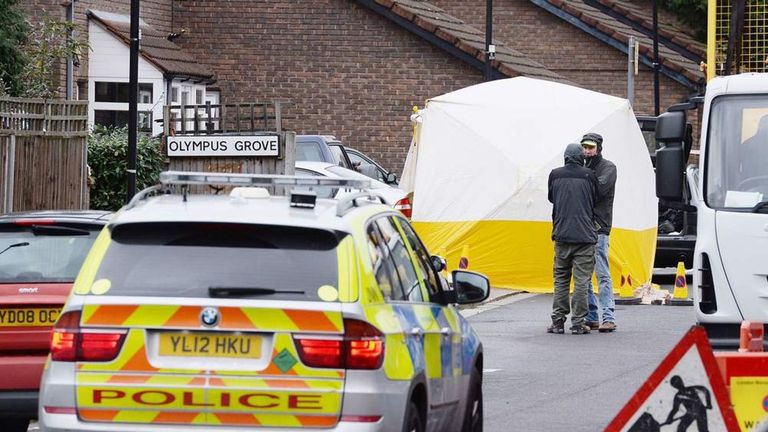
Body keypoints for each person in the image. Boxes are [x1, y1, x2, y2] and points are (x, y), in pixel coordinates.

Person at [547, 143, 599, 335]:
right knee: (581, 282)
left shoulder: (555, 174)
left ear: (566, 157)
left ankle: (558, 322)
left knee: (561, 279)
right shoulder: (589, 175)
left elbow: (552, 198)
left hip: (562, 235)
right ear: (581, 157)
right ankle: (578, 323)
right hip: (585, 237)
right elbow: (595, 199)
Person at [581, 133, 618, 333]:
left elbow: (598, 190)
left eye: (591, 147)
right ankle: (592, 316)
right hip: (583, 227)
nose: (587, 151)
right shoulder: (583, 168)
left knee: (602, 274)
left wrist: (580, 181)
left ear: (598, 148)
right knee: (584, 276)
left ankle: (609, 316)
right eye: (585, 147)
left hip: (599, 228)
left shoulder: (608, 168)